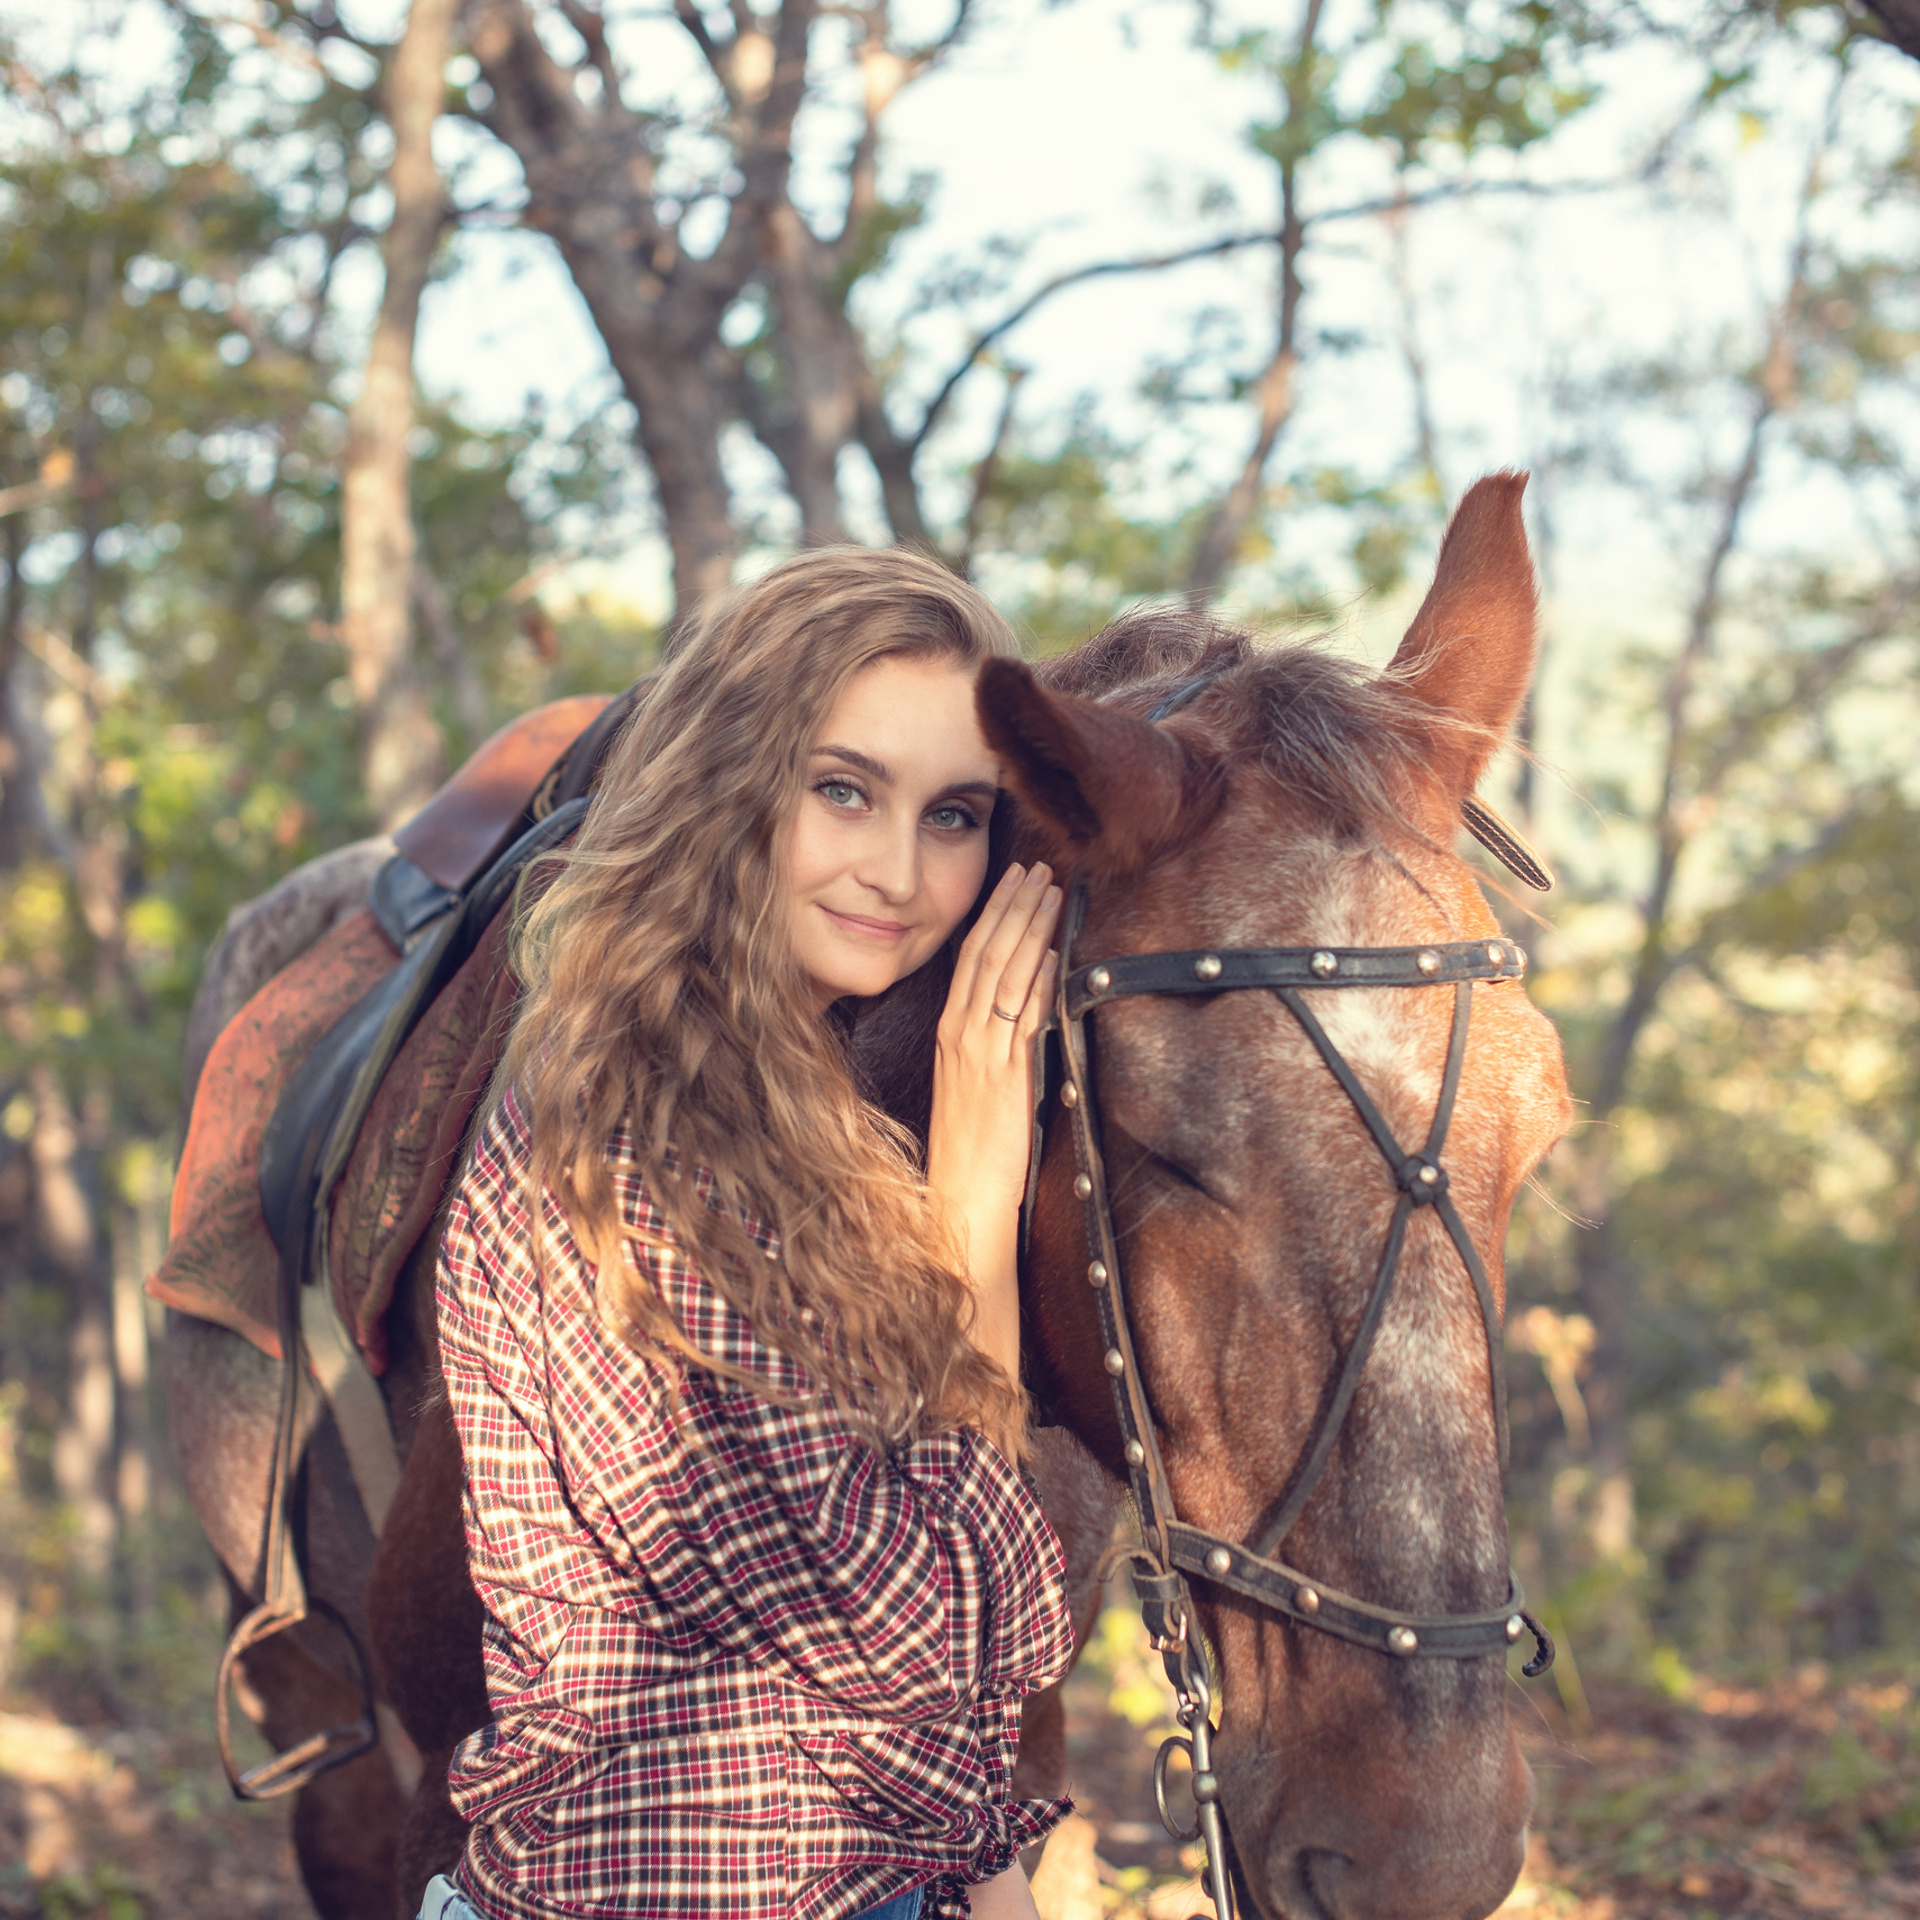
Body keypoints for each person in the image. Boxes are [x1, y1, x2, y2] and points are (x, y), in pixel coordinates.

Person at [423, 547, 1073, 1920]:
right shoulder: (634, 1124)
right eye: (844, 789)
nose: (899, 871)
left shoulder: (808, 1113)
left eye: (954, 815)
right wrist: (973, 1197)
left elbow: (941, 1650)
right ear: (732, 782)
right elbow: (922, 1627)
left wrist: (984, 1868)